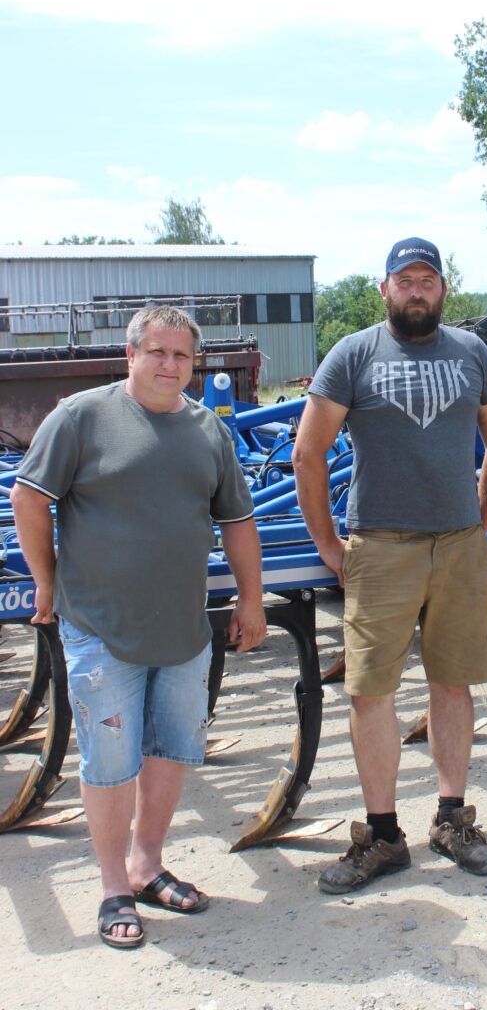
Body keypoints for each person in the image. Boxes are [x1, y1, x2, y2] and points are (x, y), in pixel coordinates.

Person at [10, 305, 267, 949]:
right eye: (157, 352)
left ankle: (147, 864)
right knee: (110, 763)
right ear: (131, 354)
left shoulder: (208, 430)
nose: (169, 365)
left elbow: (236, 521)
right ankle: (112, 888)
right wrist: (45, 580)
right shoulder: (82, 417)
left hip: (182, 629)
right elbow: (29, 497)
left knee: (172, 752)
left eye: (182, 356)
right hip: (102, 628)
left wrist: (252, 599)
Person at [292, 237, 487, 893]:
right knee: (370, 691)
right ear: (384, 290)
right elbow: (310, 452)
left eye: (428, 279)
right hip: (379, 545)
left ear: (443, 289)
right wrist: (330, 546)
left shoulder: (471, 353)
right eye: (405, 279)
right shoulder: (354, 355)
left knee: (454, 684)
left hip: (458, 545)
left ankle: (452, 819)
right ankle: (383, 835)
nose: (417, 289)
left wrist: (482, 521)